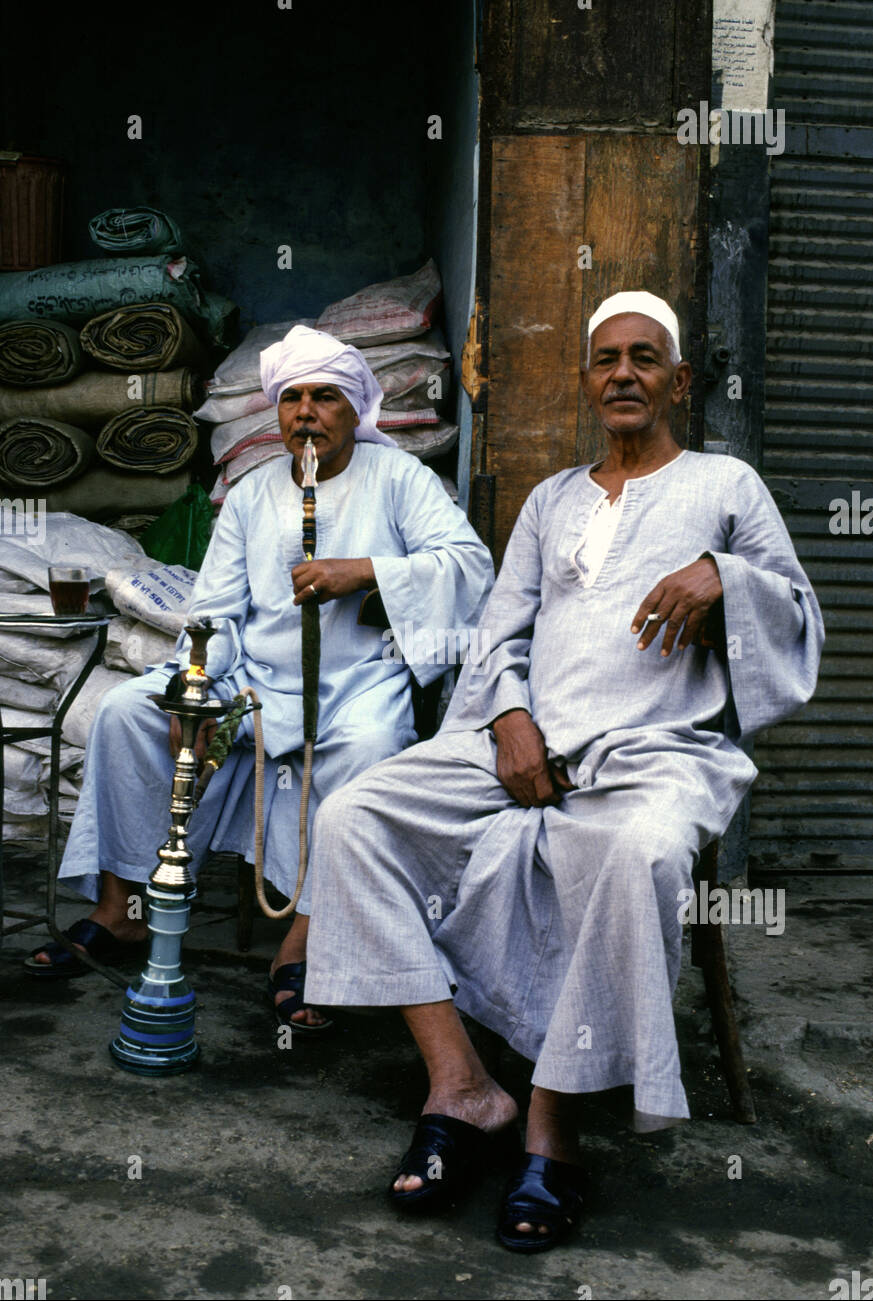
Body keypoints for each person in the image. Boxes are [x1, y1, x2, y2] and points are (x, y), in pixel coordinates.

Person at [302, 291, 824, 1250]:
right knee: (353, 814)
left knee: (632, 857)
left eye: (643, 358)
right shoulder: (551, 500)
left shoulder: (726, 486)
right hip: (524, 743)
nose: (622, 373)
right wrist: (506, 718)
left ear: (679, 379)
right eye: (605, 360)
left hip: (658, 752)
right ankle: (461, 1084)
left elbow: (797, 616)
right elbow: (495, 633)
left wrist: (727, 575)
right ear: (587, 381)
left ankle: (551, 1125)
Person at [26, 325, 495, 1034]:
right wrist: (197, 685)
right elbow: (213, 611)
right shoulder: (250, 493)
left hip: (357, 686)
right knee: (128, 712)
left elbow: (468, 566)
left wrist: (365, 572)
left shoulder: (400, 480)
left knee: (370, 753)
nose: (305, 412)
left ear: (354, 407)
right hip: (249, 679)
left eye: (324, 397)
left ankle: (300, 945)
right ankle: (118, 909)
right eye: (292, 398)